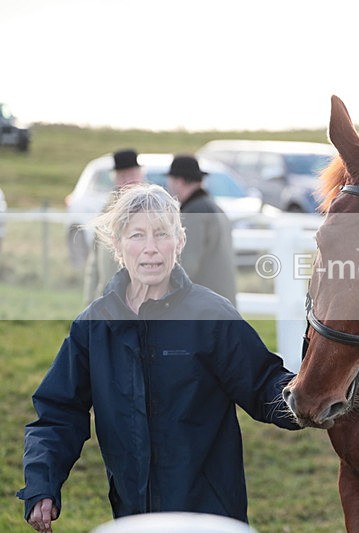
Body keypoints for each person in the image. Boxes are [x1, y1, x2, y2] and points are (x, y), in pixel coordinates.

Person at [18, 184, 299, 533]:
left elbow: (264, 386)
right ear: (118, 245)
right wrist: (42, 485)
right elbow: (58, 412)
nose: (150, 248)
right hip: (134, 516)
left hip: (209, 517)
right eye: (137, 235)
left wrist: (317, 392)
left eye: (161, 233)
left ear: (179, 242)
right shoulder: (95, 325)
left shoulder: (211, 316)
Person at [166, 154, 238, 306]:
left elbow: (186, 264)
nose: (169, 187)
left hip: (206, 309)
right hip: (222, 306)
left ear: (179, 182)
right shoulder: (215, 208)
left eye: (170, 181)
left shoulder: (194, 213)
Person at [83, 149, 145, 303]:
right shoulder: (108, 209)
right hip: (107, 297)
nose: (127, 181)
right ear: (116, 179)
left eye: (131, 175)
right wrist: (89, 301)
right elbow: (94, 261)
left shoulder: (150, 208)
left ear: (140, 175)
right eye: (122, 176)